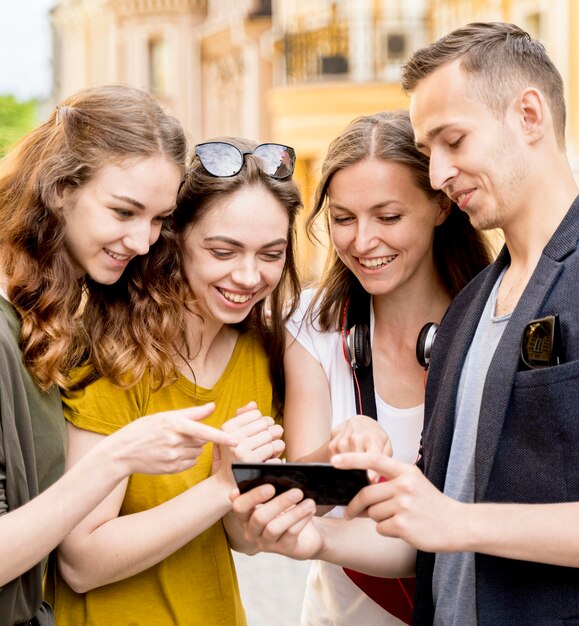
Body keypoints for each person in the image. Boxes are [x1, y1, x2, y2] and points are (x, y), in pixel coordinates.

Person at [229, 21, 579, 626]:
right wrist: (320, 540)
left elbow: (450, 520)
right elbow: (427, 531)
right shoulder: (467, 312)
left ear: (529, 115)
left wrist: (461, 521)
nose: (438, 172)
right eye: (428, 150)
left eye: (453, 141)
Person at [0, 85, 240, 626]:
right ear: (60, 188)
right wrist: (118, 457)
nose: (142, 241)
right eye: (124, 211)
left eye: (158, 219)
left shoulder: (42, 316)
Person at [48, 138, 301, 626]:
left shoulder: (263, 352)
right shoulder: (117, 351)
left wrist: (250, 488)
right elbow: (80, 562)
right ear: (175, 239)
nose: (249, 276)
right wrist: (222, 485)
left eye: (271, 254)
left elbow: (242, 541)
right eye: (224, 251)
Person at [283, 110, 491, 625]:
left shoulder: (496, 322)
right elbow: (299, 492)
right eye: (343, 218)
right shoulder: (311, 326)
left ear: (442, 205)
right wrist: (333, 452)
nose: (361, 241)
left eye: (388, 217)